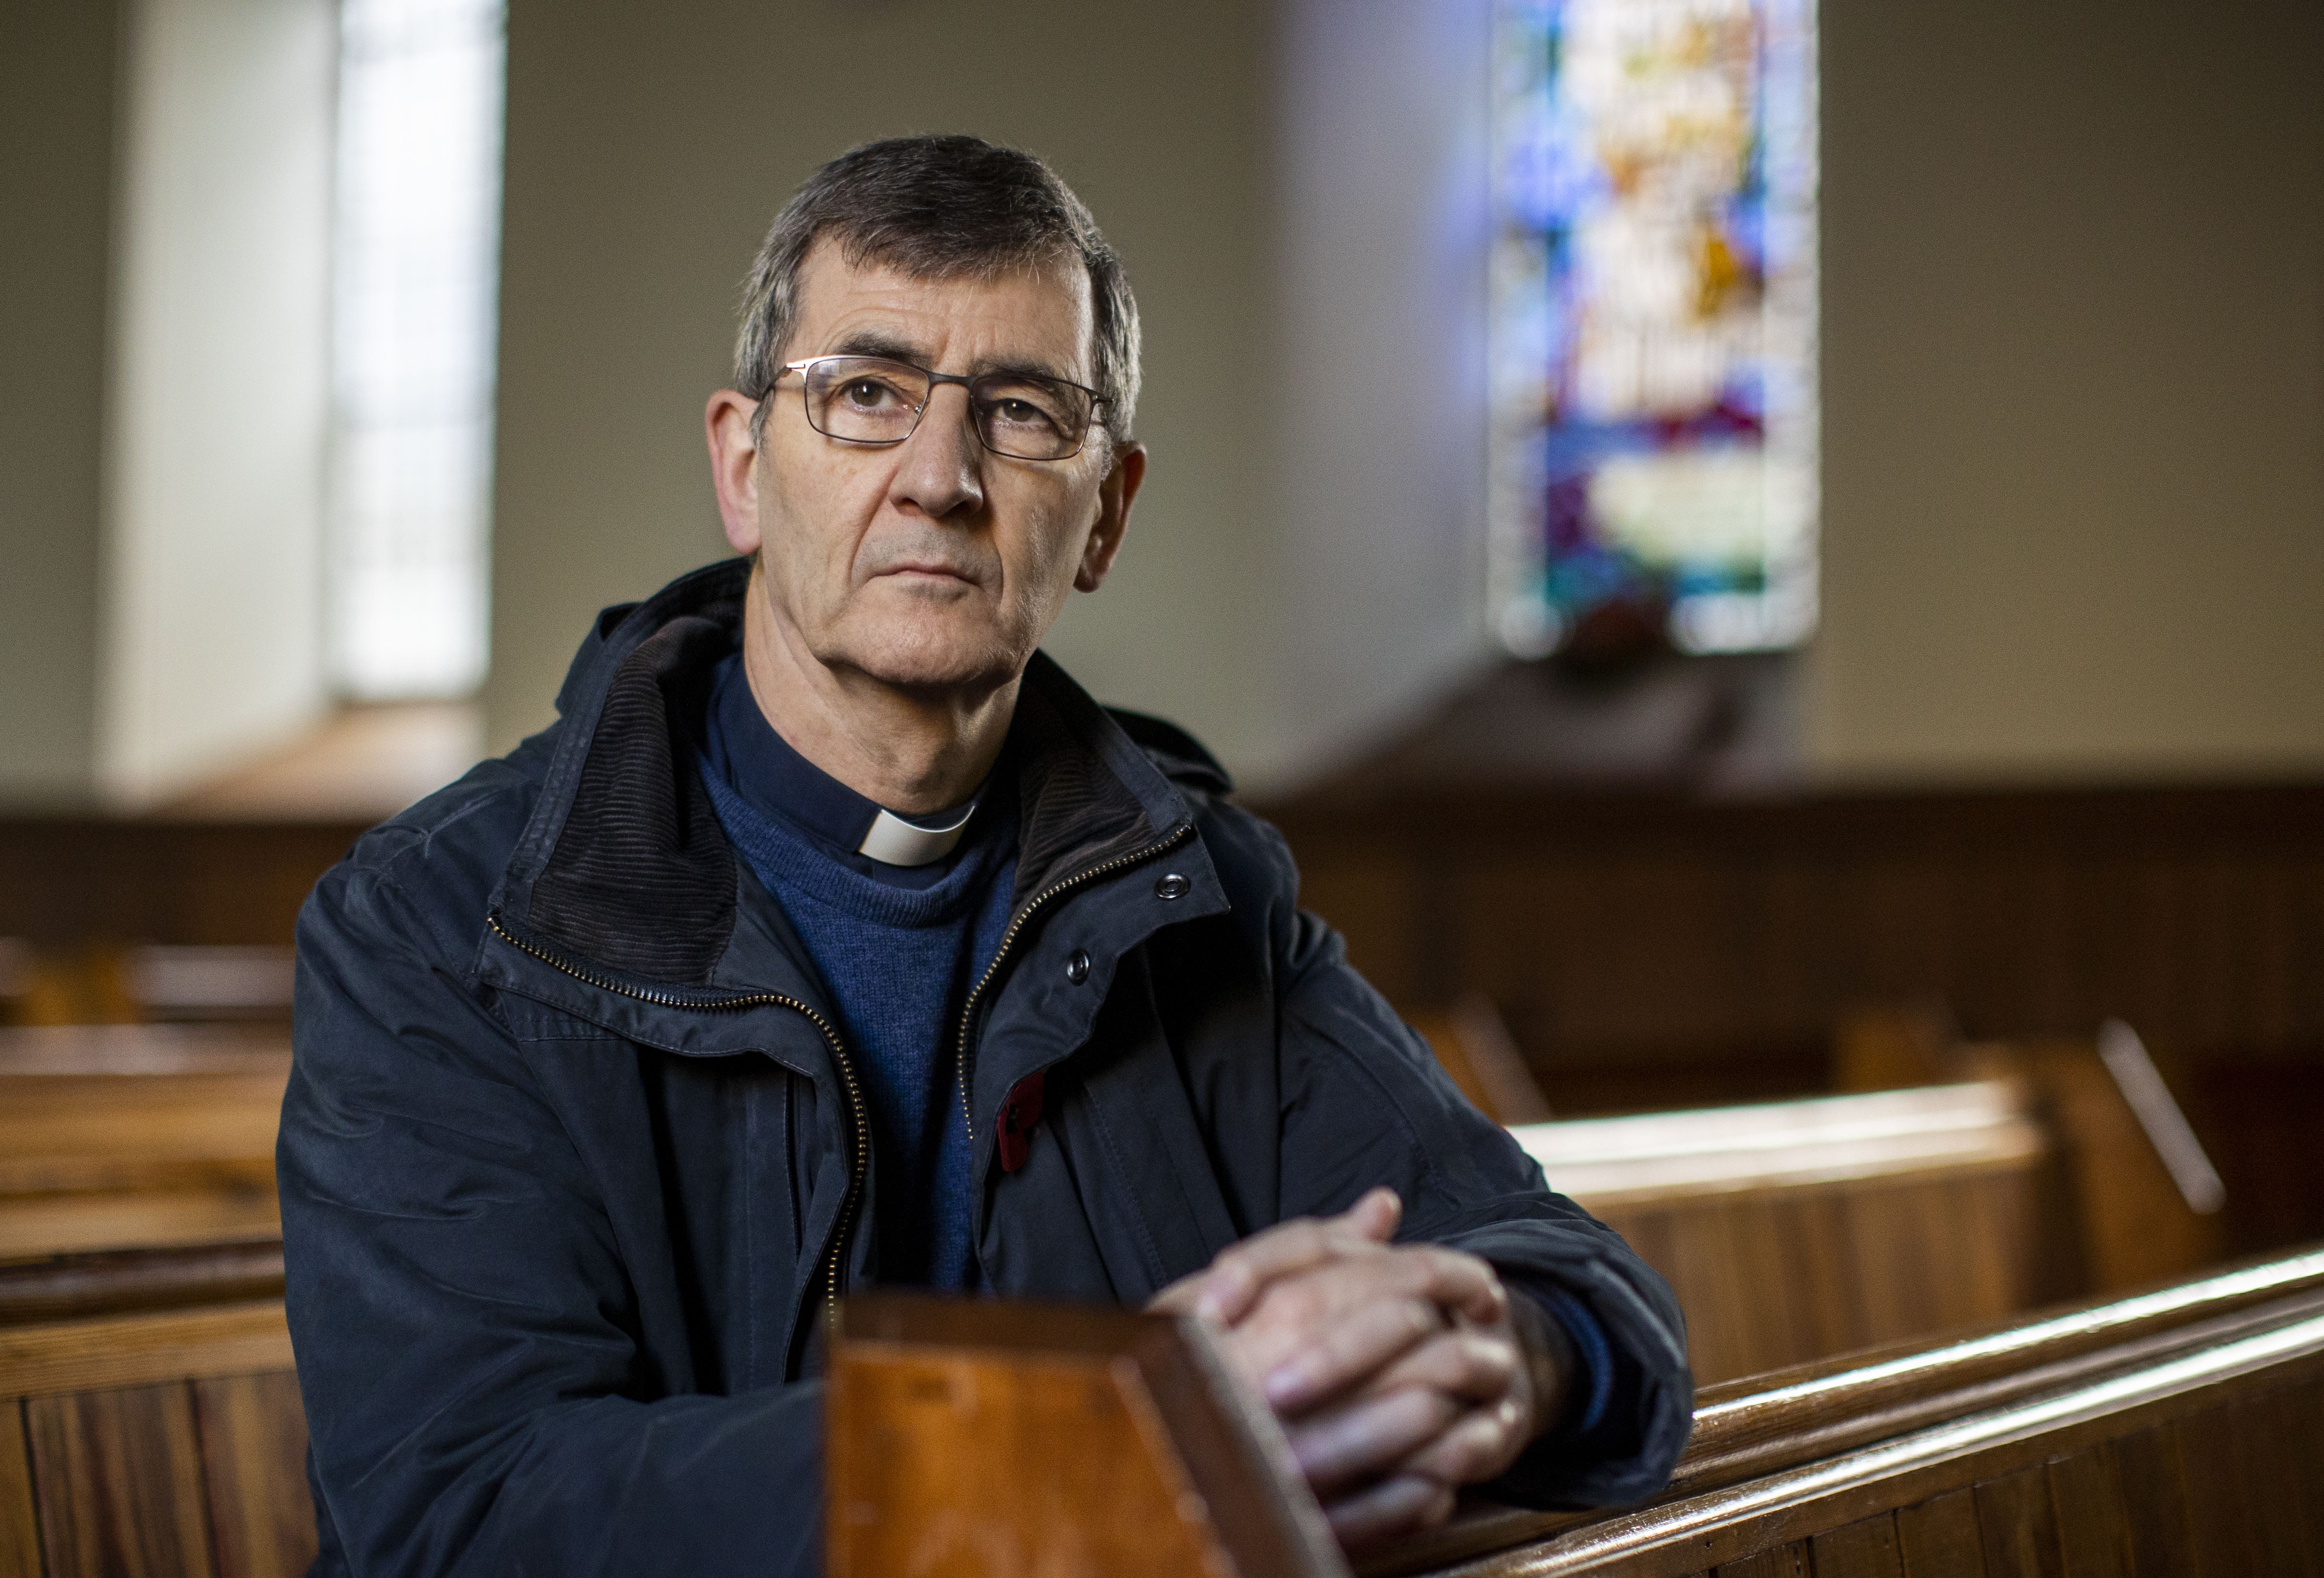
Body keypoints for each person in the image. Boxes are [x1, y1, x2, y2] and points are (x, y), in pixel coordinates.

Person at [280, 134, 1692, 1577]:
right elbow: (460, 1513)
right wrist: (1075, 1440)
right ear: (745, 463)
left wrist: (1493, 1357)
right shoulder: (442, 923)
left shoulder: (1199, 891)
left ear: (1108, 514)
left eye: (1021, 412)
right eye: (868, 394)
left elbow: (1583, 1289)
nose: (940, 477)